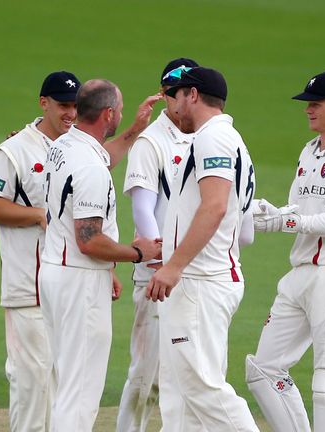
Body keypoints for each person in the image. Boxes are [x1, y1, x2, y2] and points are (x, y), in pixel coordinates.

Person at [245, 70, 325, 432]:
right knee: (262, 369)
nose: (308, 110)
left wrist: (286, 223)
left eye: (315, 104)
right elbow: (297, 210)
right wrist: (267, 214)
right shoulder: (310, 151)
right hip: (300, 272)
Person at [39, 79, 163, 432]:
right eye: (120, 111)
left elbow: (100, 159)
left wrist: (135, 130)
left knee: (68, 382)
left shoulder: (64, 146)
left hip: (55, 272)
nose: (122, 115)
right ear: (108, 114)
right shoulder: (90, 168)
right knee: (81, 392)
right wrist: (138, 252)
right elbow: (89, 240)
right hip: (80, 281)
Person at [146, 67, 260, 432]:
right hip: (207, 276)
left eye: (176, 94)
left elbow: (215, 207)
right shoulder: (230, 139)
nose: (172, 104)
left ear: (192, 95)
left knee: (202, 387)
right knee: (183, 395)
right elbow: (240, 228)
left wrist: (174, 265)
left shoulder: (213, 139)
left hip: (200, 280)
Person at [0, 70, 81, 432]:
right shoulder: (15, 150)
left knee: (61, 385)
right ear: (44, 103)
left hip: (67, 288)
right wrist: (37, 214)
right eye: (63, 105)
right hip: (28, 288)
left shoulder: (77, 147)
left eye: (75, 106)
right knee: (32, 384)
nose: (70, 113)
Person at [116, 57, 198, 432]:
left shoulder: (208, 137)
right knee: (147, 377)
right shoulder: (152, 143)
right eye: (176, 94)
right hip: (157, 276)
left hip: (197, 274)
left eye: (189, 94)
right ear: (165, 95)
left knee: (190, 377)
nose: (183, 103)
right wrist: (164, 262)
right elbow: (143, 210)